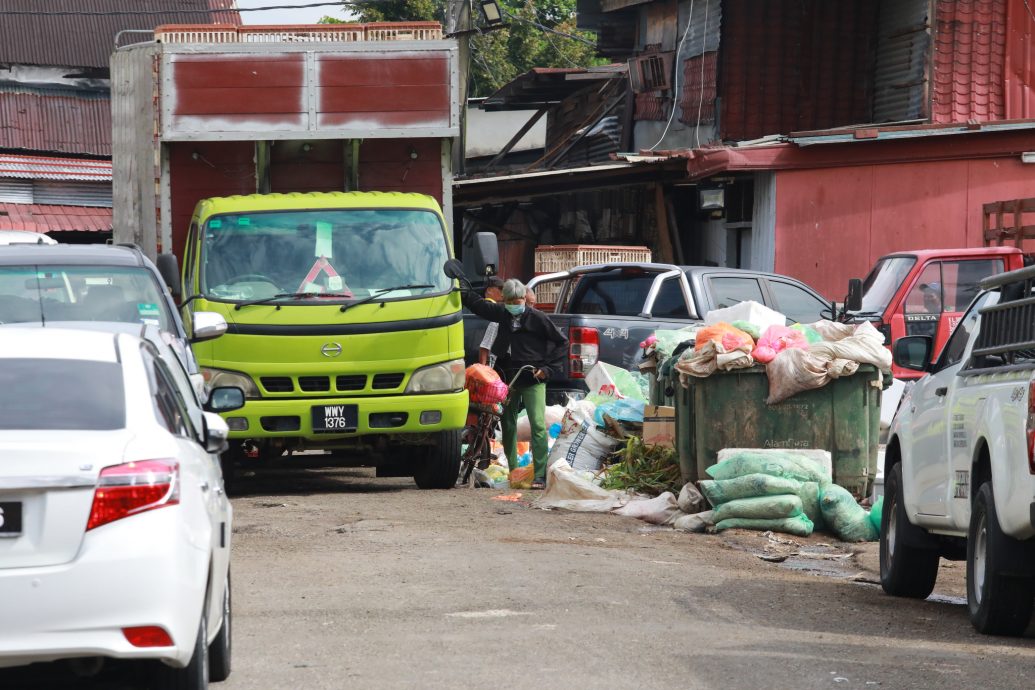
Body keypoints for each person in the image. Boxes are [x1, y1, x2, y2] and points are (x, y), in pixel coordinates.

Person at [464, 278, 568, 489]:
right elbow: (479, 306)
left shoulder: (538, 318)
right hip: (507, 378)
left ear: (524, 299)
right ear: (504, 300)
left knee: (538, 425)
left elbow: (562, 342)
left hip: (532, 378)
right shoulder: (502, 314)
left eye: (517, 300)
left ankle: (539, 475)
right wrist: (462, 287)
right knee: (508, 425)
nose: (514, 304)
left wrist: (547, 370)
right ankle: (514, 471)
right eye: (509, 300)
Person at [478, 277, 505, 366]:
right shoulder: (496, 312)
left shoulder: (475, 307)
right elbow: (484, 347)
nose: (503, 293)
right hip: (490, 364)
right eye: (500, 289)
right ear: (489, 290)